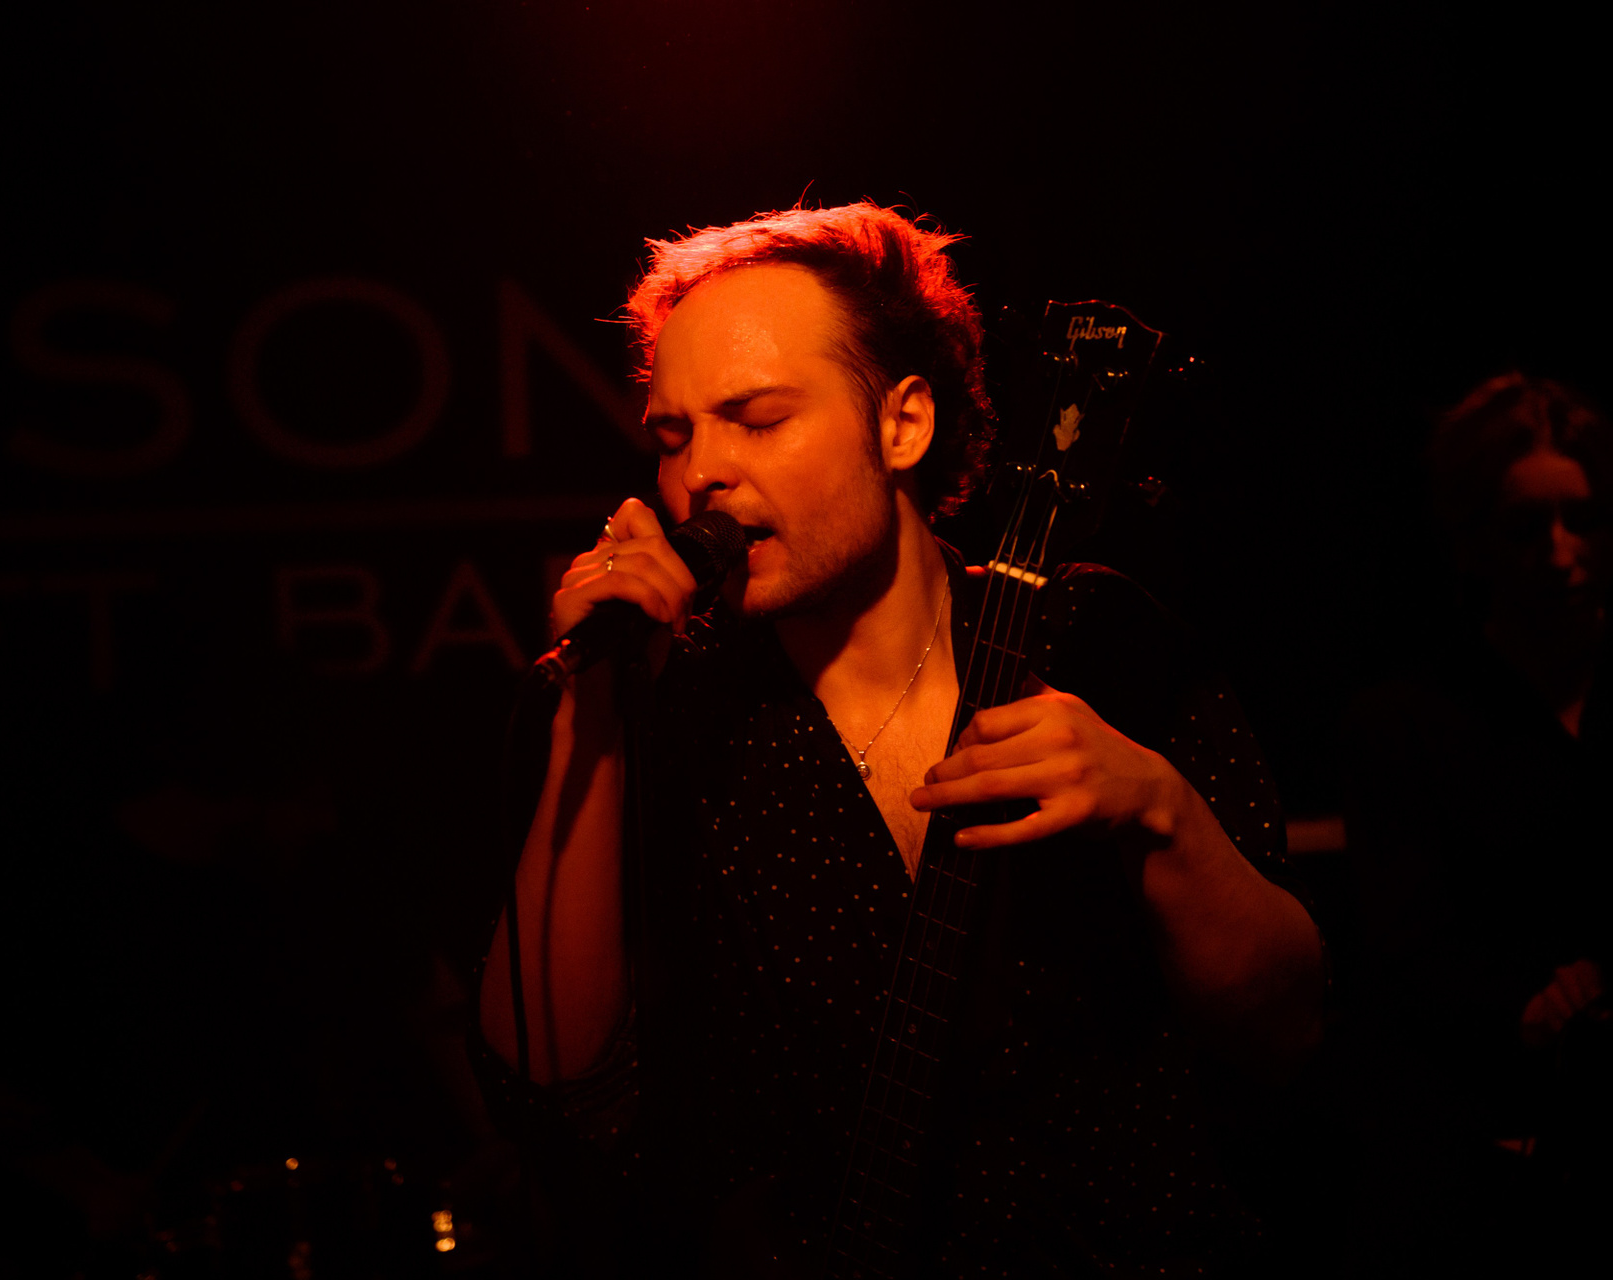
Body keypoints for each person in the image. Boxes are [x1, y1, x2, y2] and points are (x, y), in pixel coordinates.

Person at [473, 203, 1323, 1276]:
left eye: (757, 420)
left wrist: (1162, 812)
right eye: (675, 436)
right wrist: (592, 706)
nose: (702, 475)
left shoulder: (1092, 636)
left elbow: (1290, 1030)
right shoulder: (672, 705)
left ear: (904, 425)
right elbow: (549, 1078)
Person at [1344, 373, 1610, 1271]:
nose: (1561, 553)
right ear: (1474, 541)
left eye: (1582, 520)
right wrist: (1535, 1010)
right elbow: (1407, 958)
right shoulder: (1405, 725)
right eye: (1526, 527)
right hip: (1484, 1174)